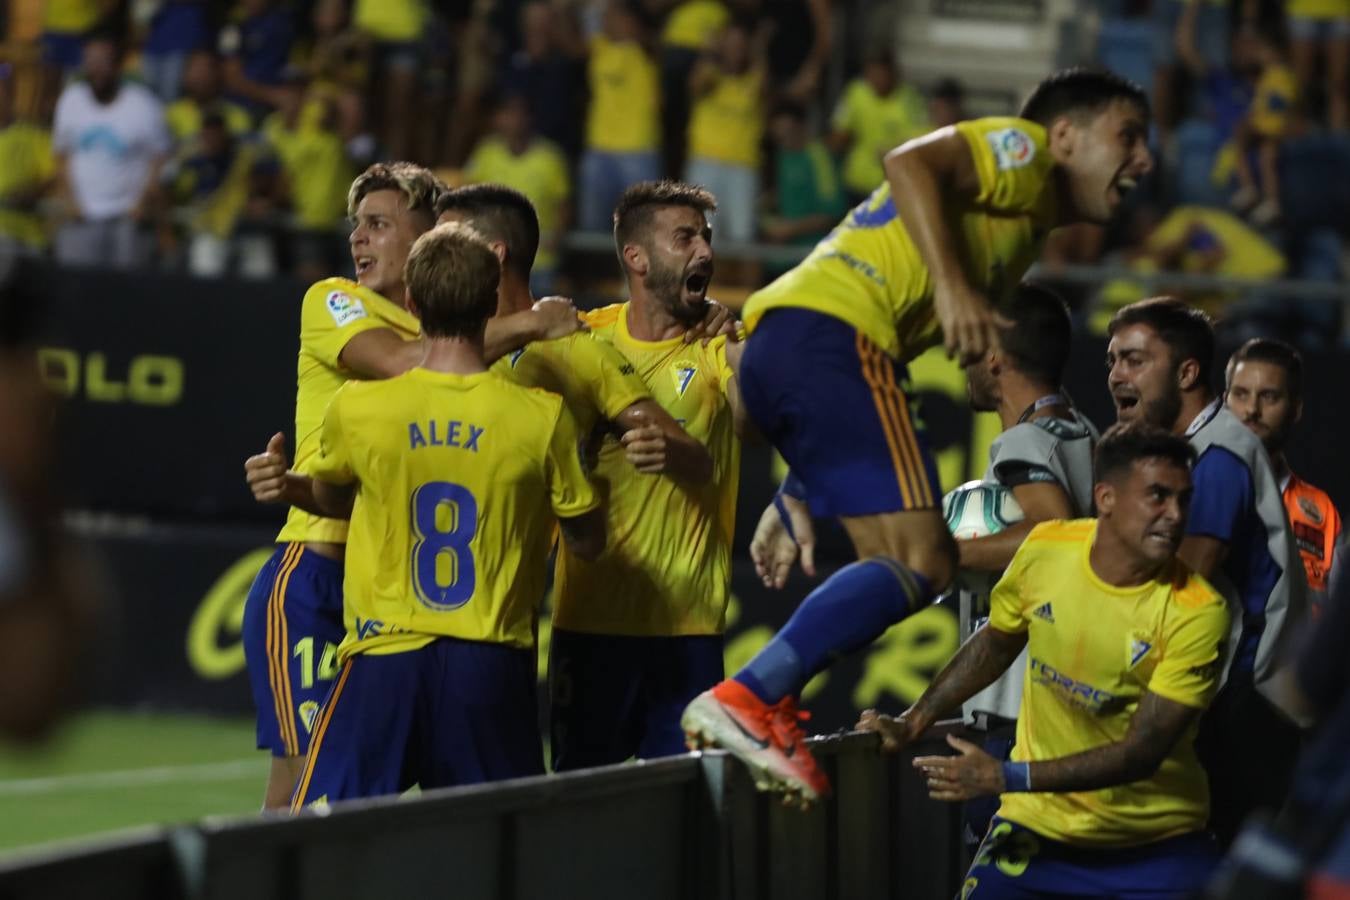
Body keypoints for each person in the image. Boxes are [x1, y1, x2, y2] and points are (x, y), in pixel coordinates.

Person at [680, 68, 1155, 806]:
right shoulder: (1024, 153)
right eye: (1128, 135)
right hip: (831, 341)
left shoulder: (1016, 234)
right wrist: (956, 288)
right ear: (1066, 135)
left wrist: (796, 485)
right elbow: (908, 161)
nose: (1145, 160)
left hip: (796, 350)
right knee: (924, 559)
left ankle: (757, 696)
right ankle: (749, 695)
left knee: (906, 560)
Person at [241, 163, 585, 809]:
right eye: (356, 226)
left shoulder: (455, 333)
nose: (358, 240)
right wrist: (534, 321)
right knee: (305, 794)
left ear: (430, 240)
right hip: (319, 572)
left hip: (408, 605)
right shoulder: (335, 302)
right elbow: (408, 364)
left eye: (378, 224)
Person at [859, 423, 1229, 900]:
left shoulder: (1198, 612)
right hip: (1036, 830)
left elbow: (1142, 754)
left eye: (1184, 499)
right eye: (1158, 496)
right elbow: (995, 642)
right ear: (1106, 498)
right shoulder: (1047, 550)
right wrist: (913, 721)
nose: (1175, 515)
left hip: (1154, 846)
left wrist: (1004, 777)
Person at [550, 181, 748, 769]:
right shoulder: (584, 339)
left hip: (685, 630)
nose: (705, 253)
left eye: (706, 239)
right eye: (685, 238)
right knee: (579, 809)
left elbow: (757, 423)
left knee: (691, 815)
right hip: (587, 624)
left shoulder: (714, 344)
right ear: (636, 256)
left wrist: (736, 340)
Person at [1106, 296, 1309, 844]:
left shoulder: (1217, 458)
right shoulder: (1193, 448)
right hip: (1230, 701)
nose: (1116, 376)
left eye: (1133, 360)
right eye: (1111, 360)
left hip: (1245, 710)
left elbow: (1185, 581)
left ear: (1188, 371)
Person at [948, 282, 1100, 844]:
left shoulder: (1022, 445)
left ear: (993, 355)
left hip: (1017, 710)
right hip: (1073, 698)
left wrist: (951, 554)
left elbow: (1052, 530)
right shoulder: (1086, 433)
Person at [434, 182, 715, 481]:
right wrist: (530, 324)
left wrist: (671, 451)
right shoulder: (420, 334)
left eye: (443, 244)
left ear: (494, 254)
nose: (426, 254)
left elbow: (696, 460)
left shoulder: (578, 347)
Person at [1225, 338, 1341, 617]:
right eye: (1241, 394)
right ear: (1224, 401)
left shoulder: (1320, 510)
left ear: (1296, 409)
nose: (1251, 410)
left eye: (1269, 397)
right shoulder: (1191, 487)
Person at [52, 34, 171, 269]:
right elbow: (60, 154)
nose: (96, 68)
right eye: (90, 61)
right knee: (77, 289)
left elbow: (162, 155)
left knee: (126, 293)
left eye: (103, 61)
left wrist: (145, 199)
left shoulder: (143, 104)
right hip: (82, 217)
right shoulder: (71, 100)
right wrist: (68, 199)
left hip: (127, 219)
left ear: (117, 66)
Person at [463, 96, 572, 297]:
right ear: (497, 118)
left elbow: (563, 205)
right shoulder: (485, 154)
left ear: (530, 118)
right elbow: (469, 199)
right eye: (508, 113)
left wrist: (556, 239)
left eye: (519, 113)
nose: (514, 119)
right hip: (494, 259)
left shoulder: (551, 157)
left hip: (540, 260)